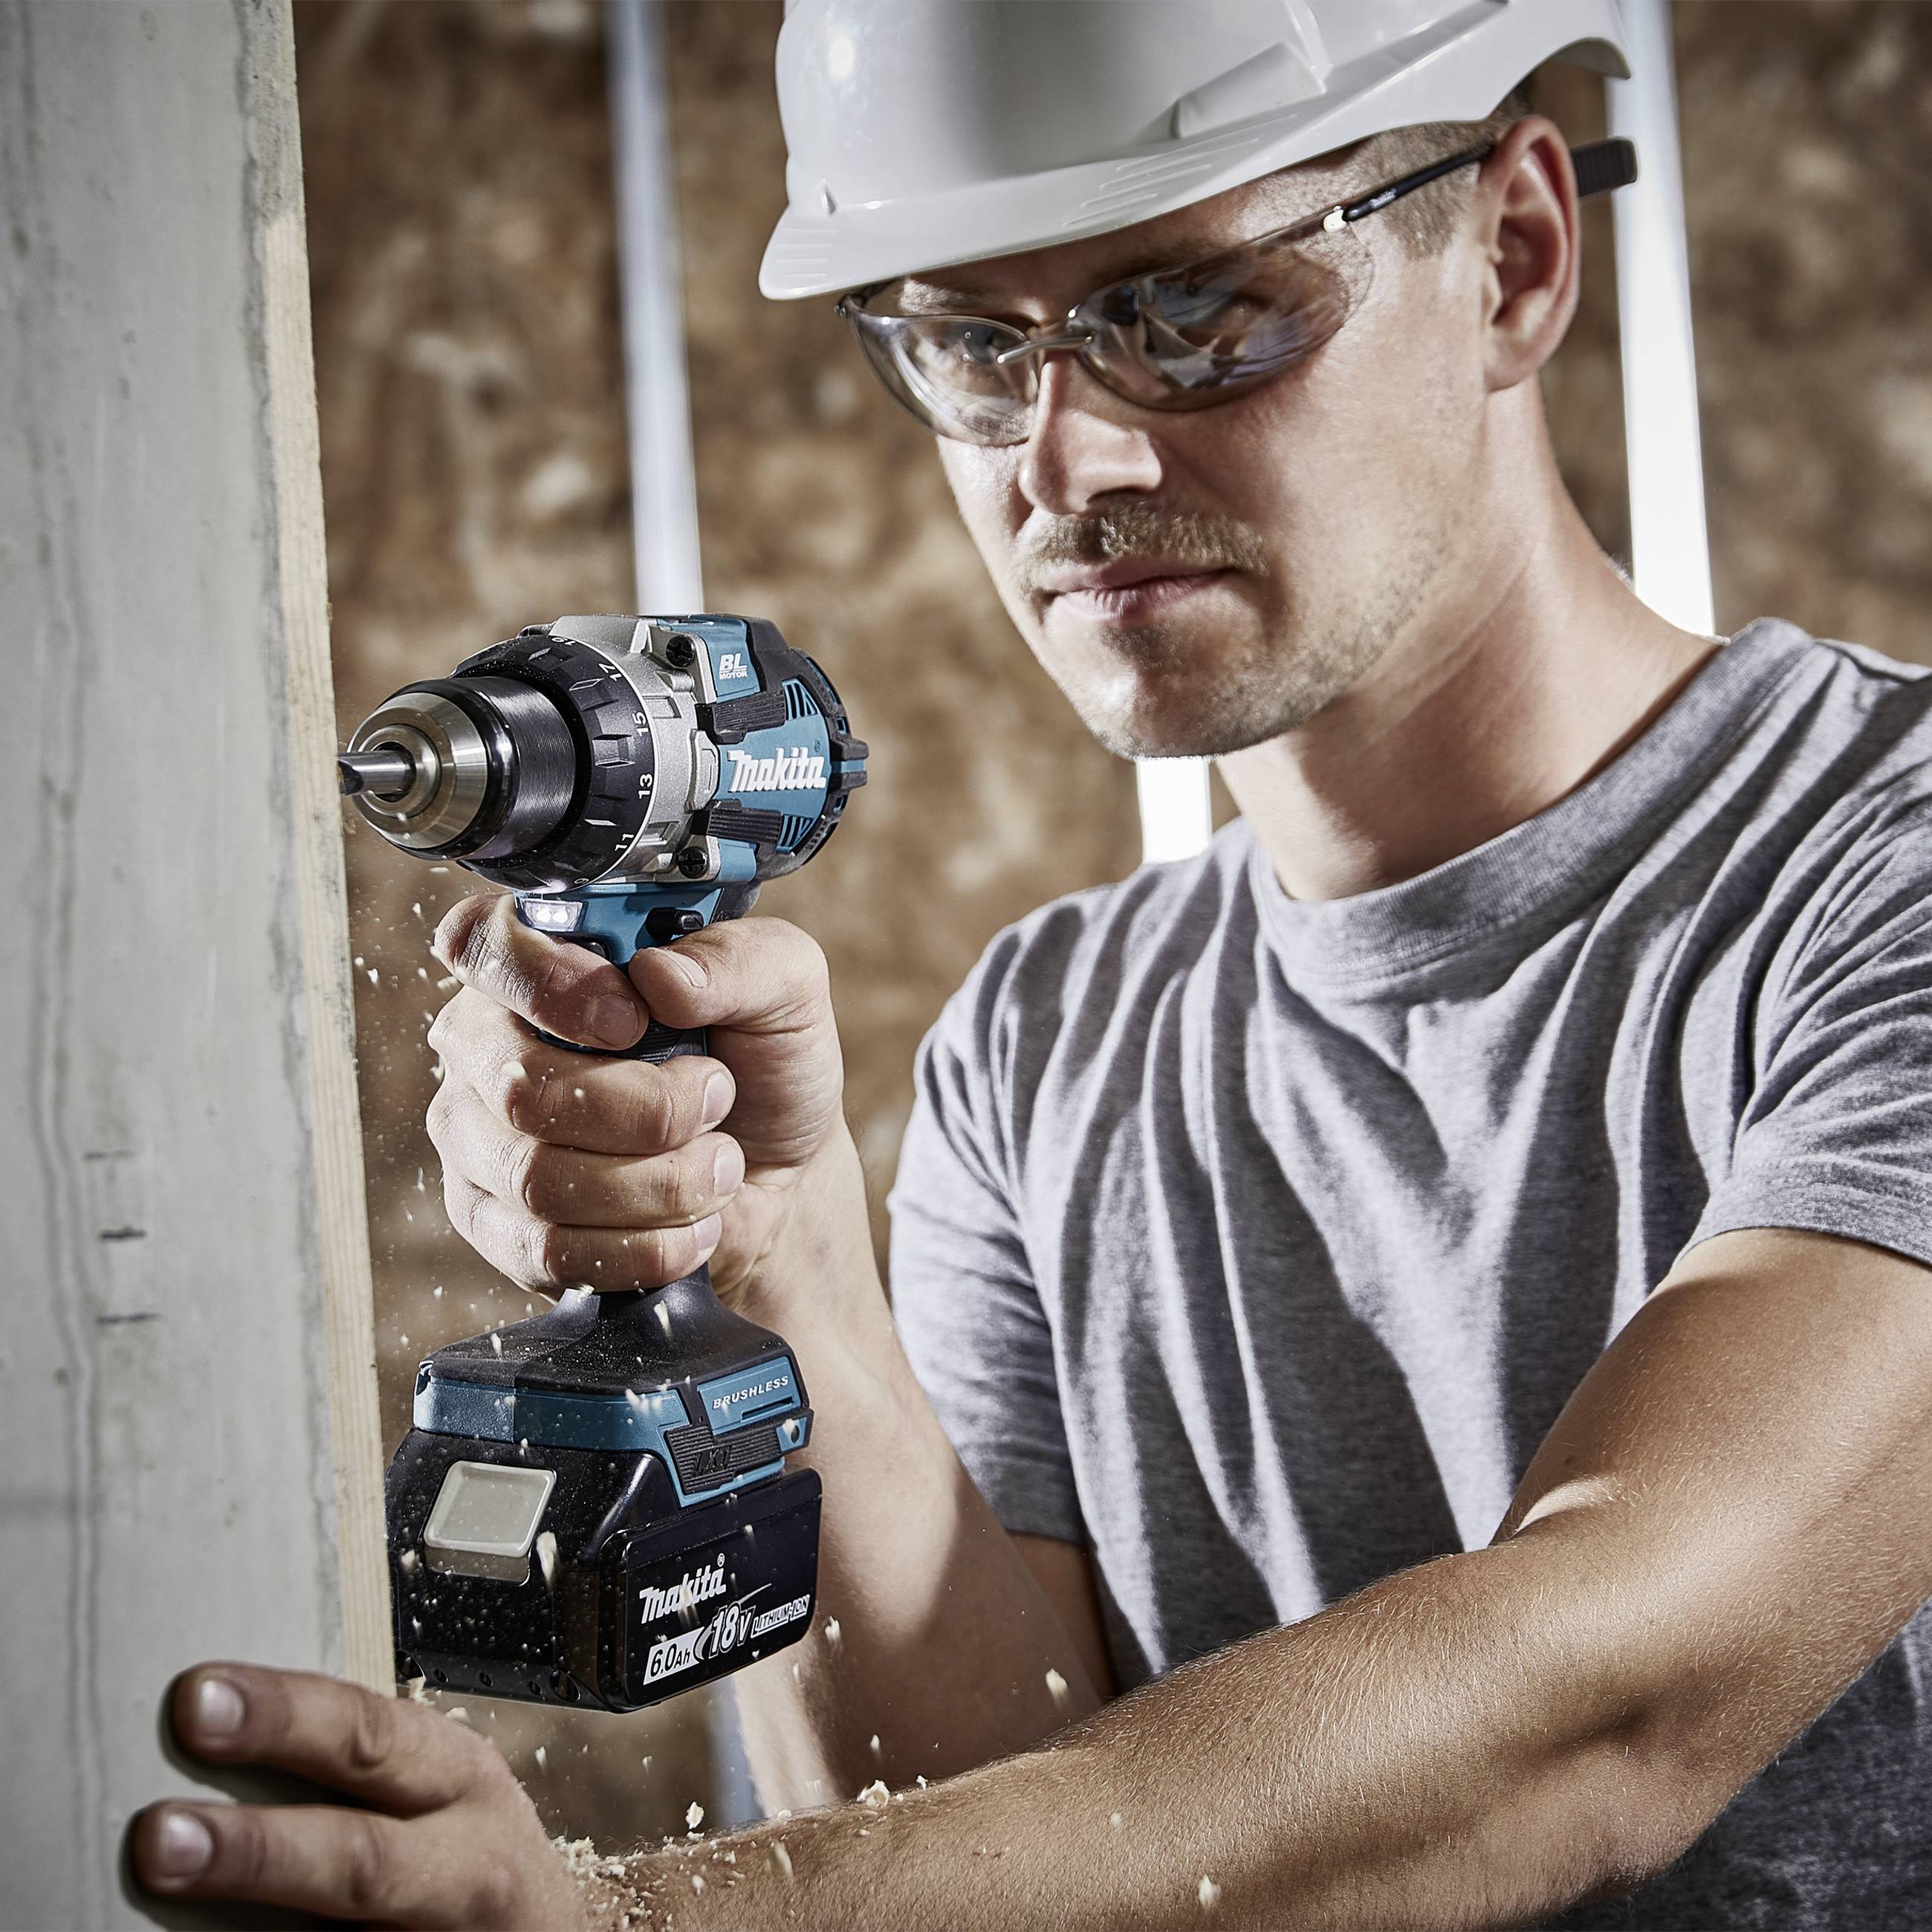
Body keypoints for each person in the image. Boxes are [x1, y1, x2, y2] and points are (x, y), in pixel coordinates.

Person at [132, 3, 1932, 1925]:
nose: (1062, 459)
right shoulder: (1050, 1038)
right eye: (975, 346)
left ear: (1510, 258)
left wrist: (653, 1919)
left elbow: (1614, 1703)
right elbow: (1017, 1807)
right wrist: (784, 1270)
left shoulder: (1871, 876)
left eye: (1192, 311)